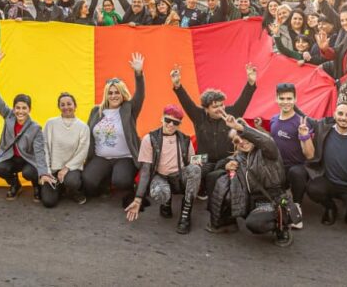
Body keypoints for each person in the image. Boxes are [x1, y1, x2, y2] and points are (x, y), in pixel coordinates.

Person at [207, 115, 295, 247]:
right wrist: (226, 166)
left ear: (252, 138)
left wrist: (240, 128)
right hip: (251, 200)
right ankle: (227, 222)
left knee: (254, 224)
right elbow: (219, 165)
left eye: (245, 138)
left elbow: (265, 140)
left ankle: (281, 226)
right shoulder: (239, 157)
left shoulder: (268, 152)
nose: (242, 142)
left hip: (272, 198)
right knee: (217, 178)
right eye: (237, 140)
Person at [172, 62, 257, 197]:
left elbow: (244, 100)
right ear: (206, 109)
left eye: (221, 105)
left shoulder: (232, 112)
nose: (220, 109)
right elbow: (185, 101)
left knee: (220, 177)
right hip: (204, 160)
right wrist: (177, 85)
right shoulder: (198, 116)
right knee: (189, 174)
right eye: (214, 106)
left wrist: (251, 83)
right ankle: (200, 188)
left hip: (226, 159)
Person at [0, 48, 52, 201]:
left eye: (24, 108)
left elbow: (40, 153)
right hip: (10, 157)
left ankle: (36, 186)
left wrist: (43, 173)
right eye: (17, 108)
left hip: (27, 159)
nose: (20, 111)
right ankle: (15, 184)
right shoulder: (8, 115)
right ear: (13, 109)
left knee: (29, 172)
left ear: (29, 109)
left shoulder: (35, 128)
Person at [124, 105, 201, 234]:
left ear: (179, 124)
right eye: (167, 120)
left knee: (196, 169)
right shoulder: (149, 139)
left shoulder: (185, 140)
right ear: (161, 119)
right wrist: (138, 199)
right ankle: (166, 202)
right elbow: (145, 171)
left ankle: (185, 214)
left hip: (179, 177)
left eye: (175, 122)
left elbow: (193, 161)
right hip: (160, 177)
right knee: (160, 192)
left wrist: (201, 164)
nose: (171, 124)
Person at [83, 53, 145, 201]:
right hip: (101, 156)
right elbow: (87, 134)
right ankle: (105, 180)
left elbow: (140, 95)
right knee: (88, 182)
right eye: (110, 93)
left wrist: (138, 73)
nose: (113, 95)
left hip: (124, 157)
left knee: (121, 181)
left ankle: (125, 183)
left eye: (117, 92)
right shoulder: (96, 111)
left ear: (122, 93)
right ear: (106, 94)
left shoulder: (128, 109)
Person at [266, 82, 315, 227]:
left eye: (289, 99)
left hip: (297, 167)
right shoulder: (274, 119)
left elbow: (310, 155)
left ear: (295, 99)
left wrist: (304, 136)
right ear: (276, 99)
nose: (285, 102)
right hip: (278, 167)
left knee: (296, 172)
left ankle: (297, 206)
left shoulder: (302, 123)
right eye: (282, 98)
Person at [41, 92, 90, 208]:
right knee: (49, 202)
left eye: (69, 104)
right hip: (52, 169)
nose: (66, 107)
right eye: (62, 105)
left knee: (72, 181)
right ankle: (59, 187)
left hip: (71, 169)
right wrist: (47, 170)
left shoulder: (83, 127)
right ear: (59, 107)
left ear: (75, 105)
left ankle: (73, 191)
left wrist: (66, 167)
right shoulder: (50, 123)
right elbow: (45, 147)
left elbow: (82, 152)